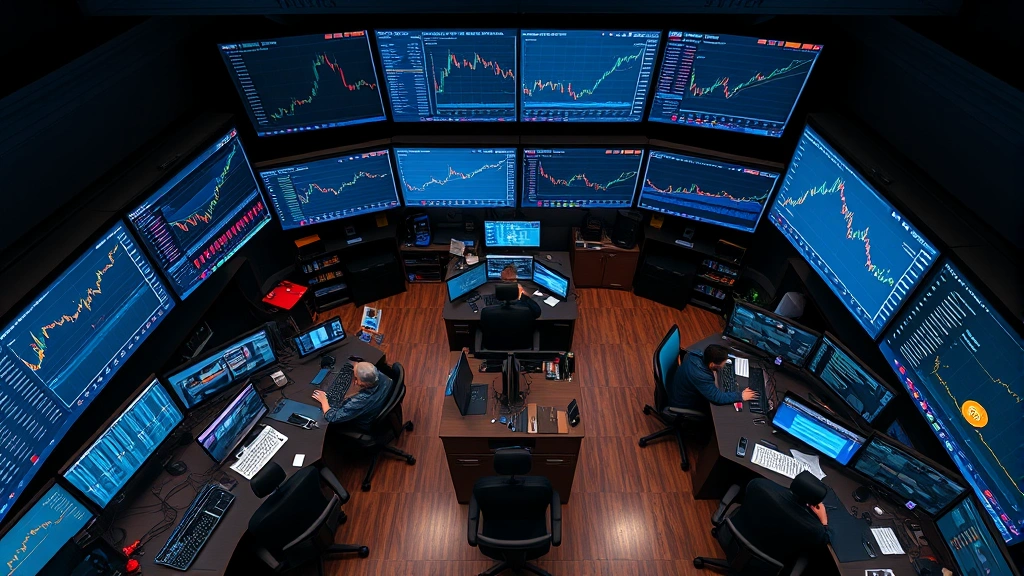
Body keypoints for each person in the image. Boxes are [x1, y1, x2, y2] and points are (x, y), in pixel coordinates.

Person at [727, 471, 831, 568]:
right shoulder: (814, 529)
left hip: (732, 538)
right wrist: (824, 521)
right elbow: (823, 541)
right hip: (765, 564)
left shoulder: (758, 485)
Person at [670, 344, 758, 411]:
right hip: (683, 403)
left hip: (679, 389)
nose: (724, 365)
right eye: (723, 364)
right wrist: (741, 396)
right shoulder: (701, 376)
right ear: (712, 364)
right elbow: (717, 397)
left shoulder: (695, 356)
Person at [312, 361, 393, 431]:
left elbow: (332, 418)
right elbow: (365, 371)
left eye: (356, 377)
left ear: (361, 383)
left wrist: (324, 400)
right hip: (380, 401)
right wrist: (358, 367)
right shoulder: (379, 375)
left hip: (363, 423)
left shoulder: (360, 401)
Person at [479, 264, 541, 350]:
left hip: (494, 346)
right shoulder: (526, 310)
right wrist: (522, 295)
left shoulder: (486, 312)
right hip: (521, 345)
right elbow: (537, 312)